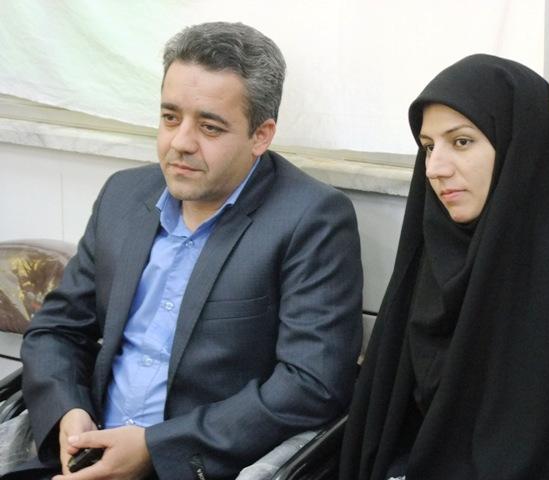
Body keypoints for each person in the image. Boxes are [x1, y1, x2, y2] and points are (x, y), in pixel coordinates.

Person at [7, 22, 363, 480]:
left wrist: (155, 450)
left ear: (261, 135)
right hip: (82, 454)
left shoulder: (311, 219)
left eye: (209, 127)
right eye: (170, 118)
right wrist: (67, 413)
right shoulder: (123, 196)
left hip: (193, 466)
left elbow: (312, 385)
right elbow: (56, 330)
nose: (180, 143)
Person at [339, 54, 549, 479]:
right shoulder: (439, 248)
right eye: (428, 147)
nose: (435, 169)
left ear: (521, 143)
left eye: (461, 142)